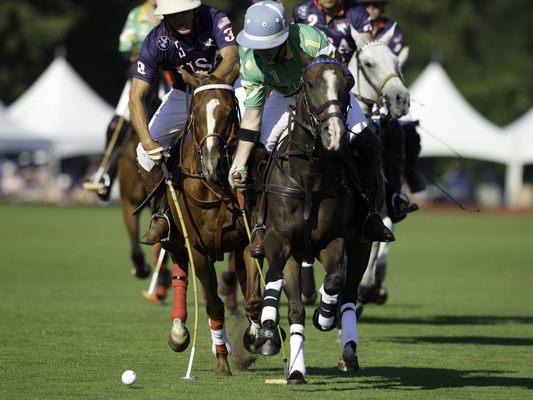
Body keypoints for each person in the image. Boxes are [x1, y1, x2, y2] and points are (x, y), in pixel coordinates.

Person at [228, 1, 394, 259]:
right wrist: (238, 163)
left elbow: (340, 78)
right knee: (257, 155)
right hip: (284, 97)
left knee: (369, 145)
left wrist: (334, 112)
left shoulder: (310, 40)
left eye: (268, 45)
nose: (262, 52)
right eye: (257, 46)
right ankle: (260, 226)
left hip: (327, 96)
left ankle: (367, 215)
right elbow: (252, 117)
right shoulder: (250, 60)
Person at [130, 0, 239, 245]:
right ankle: (162, 215)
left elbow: (231, 58)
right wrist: (148, 142)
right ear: (164, 16)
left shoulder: (215, 18)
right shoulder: (155, 41)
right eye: (173, 14)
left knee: (259, 131)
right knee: (143, 153)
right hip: (184, 94)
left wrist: (207, 83)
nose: (181, 18)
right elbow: (136, 97)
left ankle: (259, 211)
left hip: (226, 85)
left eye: (184, 12)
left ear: (194, 9)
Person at [90, 0, 162, 202]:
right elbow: (124, 44)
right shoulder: (136, 15)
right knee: (116, 124)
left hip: (165, 75)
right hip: (140, 75)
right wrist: (137, 54)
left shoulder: (170, 11)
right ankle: (105, 174)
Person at [358, 0, 426, 194]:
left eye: (376, 6)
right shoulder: (350, 25)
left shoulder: (391, 29)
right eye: (367, 6)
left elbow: (391, 62)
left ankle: (403, 185)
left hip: (386, 89)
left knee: (408, 134)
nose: (372, 10)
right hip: (359, 91)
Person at [292, 0, 373, 63]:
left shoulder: (357, 12)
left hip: (347, 71)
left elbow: (367, 51)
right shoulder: (301, 10)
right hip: (310, 71)